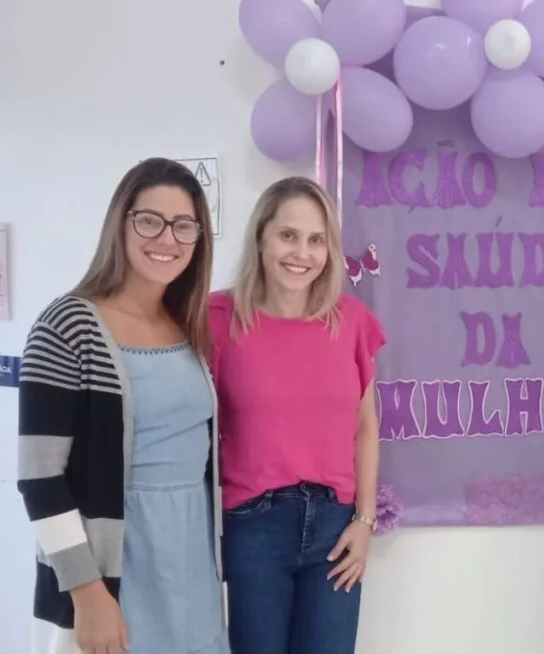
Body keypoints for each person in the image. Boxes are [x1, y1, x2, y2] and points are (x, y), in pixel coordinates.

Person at [17, 158, 226, 654]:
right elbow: (40, 477)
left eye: (184, 225)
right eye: (149, 220)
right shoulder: (67, 325)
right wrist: (89, 596)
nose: (167, 239)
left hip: (192, 570)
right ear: (121, 222)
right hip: (114, 571)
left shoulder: (188, 327)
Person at [209, 176, 385, 654]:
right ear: (262, 236)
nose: (301, 252)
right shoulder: (217, 319)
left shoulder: (350, 321)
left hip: (335, 526)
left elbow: (366, 428)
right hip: (252, 528)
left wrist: (365, 523)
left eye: (316, 240)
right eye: (288, 235)